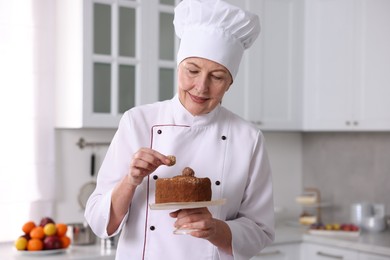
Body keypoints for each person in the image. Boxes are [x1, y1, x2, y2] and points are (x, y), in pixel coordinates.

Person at [85, 0, 275, 259]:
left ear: (230, 83)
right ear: (178, 68)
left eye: (217, 77)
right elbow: (99, 222)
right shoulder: (138, 122)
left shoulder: (248, 139)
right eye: (192, 71)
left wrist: (216, 230)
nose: (201, 87)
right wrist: (131, 180)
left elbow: (260, 231)